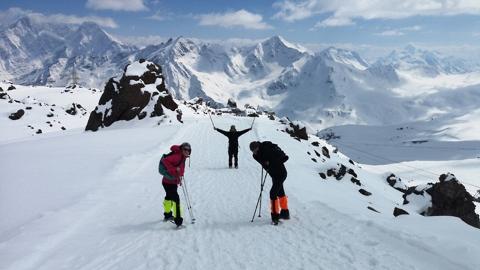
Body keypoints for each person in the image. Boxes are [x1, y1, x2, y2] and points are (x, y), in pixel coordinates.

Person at [249, 141, 289, 225]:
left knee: (273, 193)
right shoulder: (255, 155)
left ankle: (275, 217)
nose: (254, 152)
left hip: (281, 173)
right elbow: (263, 164)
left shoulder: (267, 149)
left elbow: (283, 158)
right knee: (280, 191)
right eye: (253, 151)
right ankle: (285, 213)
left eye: (255, 150)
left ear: (258, 146)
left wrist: (270, 163)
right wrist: (266, 165)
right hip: (274, 174)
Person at [160, 142, 191, 226]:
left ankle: (167, 215)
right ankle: (178, 221)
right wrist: (173, 169)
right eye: (185, 149)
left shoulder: (183, 157)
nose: (187, 151)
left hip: (171, 182)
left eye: (188, 150)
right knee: (176, 199)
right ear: (181, 149)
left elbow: (179, 169)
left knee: (168, 197)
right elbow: (165, 160)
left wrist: (179, 178)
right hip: (168, 182)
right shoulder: (177, 156)